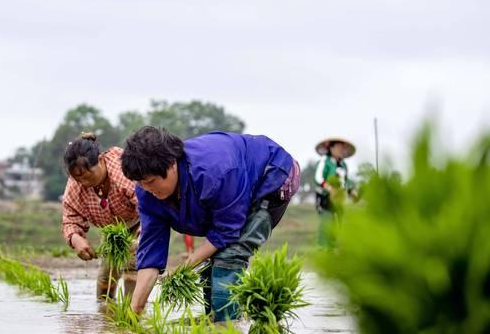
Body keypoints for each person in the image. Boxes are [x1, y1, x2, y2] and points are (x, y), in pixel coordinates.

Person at [121, 126, 300, 322]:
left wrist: (183, 268)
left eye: (152, 181)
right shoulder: (146, 193)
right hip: (234, 184)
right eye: (141, 183)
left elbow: (225, 232)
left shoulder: (213, 172)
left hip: (272, 175)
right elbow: (151, 252)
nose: (148, 189)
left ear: (172, 164)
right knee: (209, 266)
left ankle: (227, 325)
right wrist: (132, 314)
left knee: (230, 256)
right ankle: (214, 319)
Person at [61, 132, 139, 300]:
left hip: (140, 222)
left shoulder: (121, 171)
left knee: (133, 266)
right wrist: (76, 240)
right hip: (111, 232)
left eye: (88, 175)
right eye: (78, 178)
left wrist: (142, 235)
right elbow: (70, 218)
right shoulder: (75, 185)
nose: (84, 182)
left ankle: (133, 314)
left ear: (102, 160)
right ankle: (105, 315)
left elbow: (146, 205)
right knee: (107, 273)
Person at [314, 138, 357, 247]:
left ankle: (335, 251)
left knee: (339, 226)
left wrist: (351, 191)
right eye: (339, 147)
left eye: (343, 148)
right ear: (331, 148)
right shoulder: (325, 160)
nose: (341, 149)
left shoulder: (343, 165)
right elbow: (318, 177)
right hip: (325, 198)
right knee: (327, 223)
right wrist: (329, 188)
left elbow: (345, 182)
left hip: (339, 200)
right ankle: (323, 249)